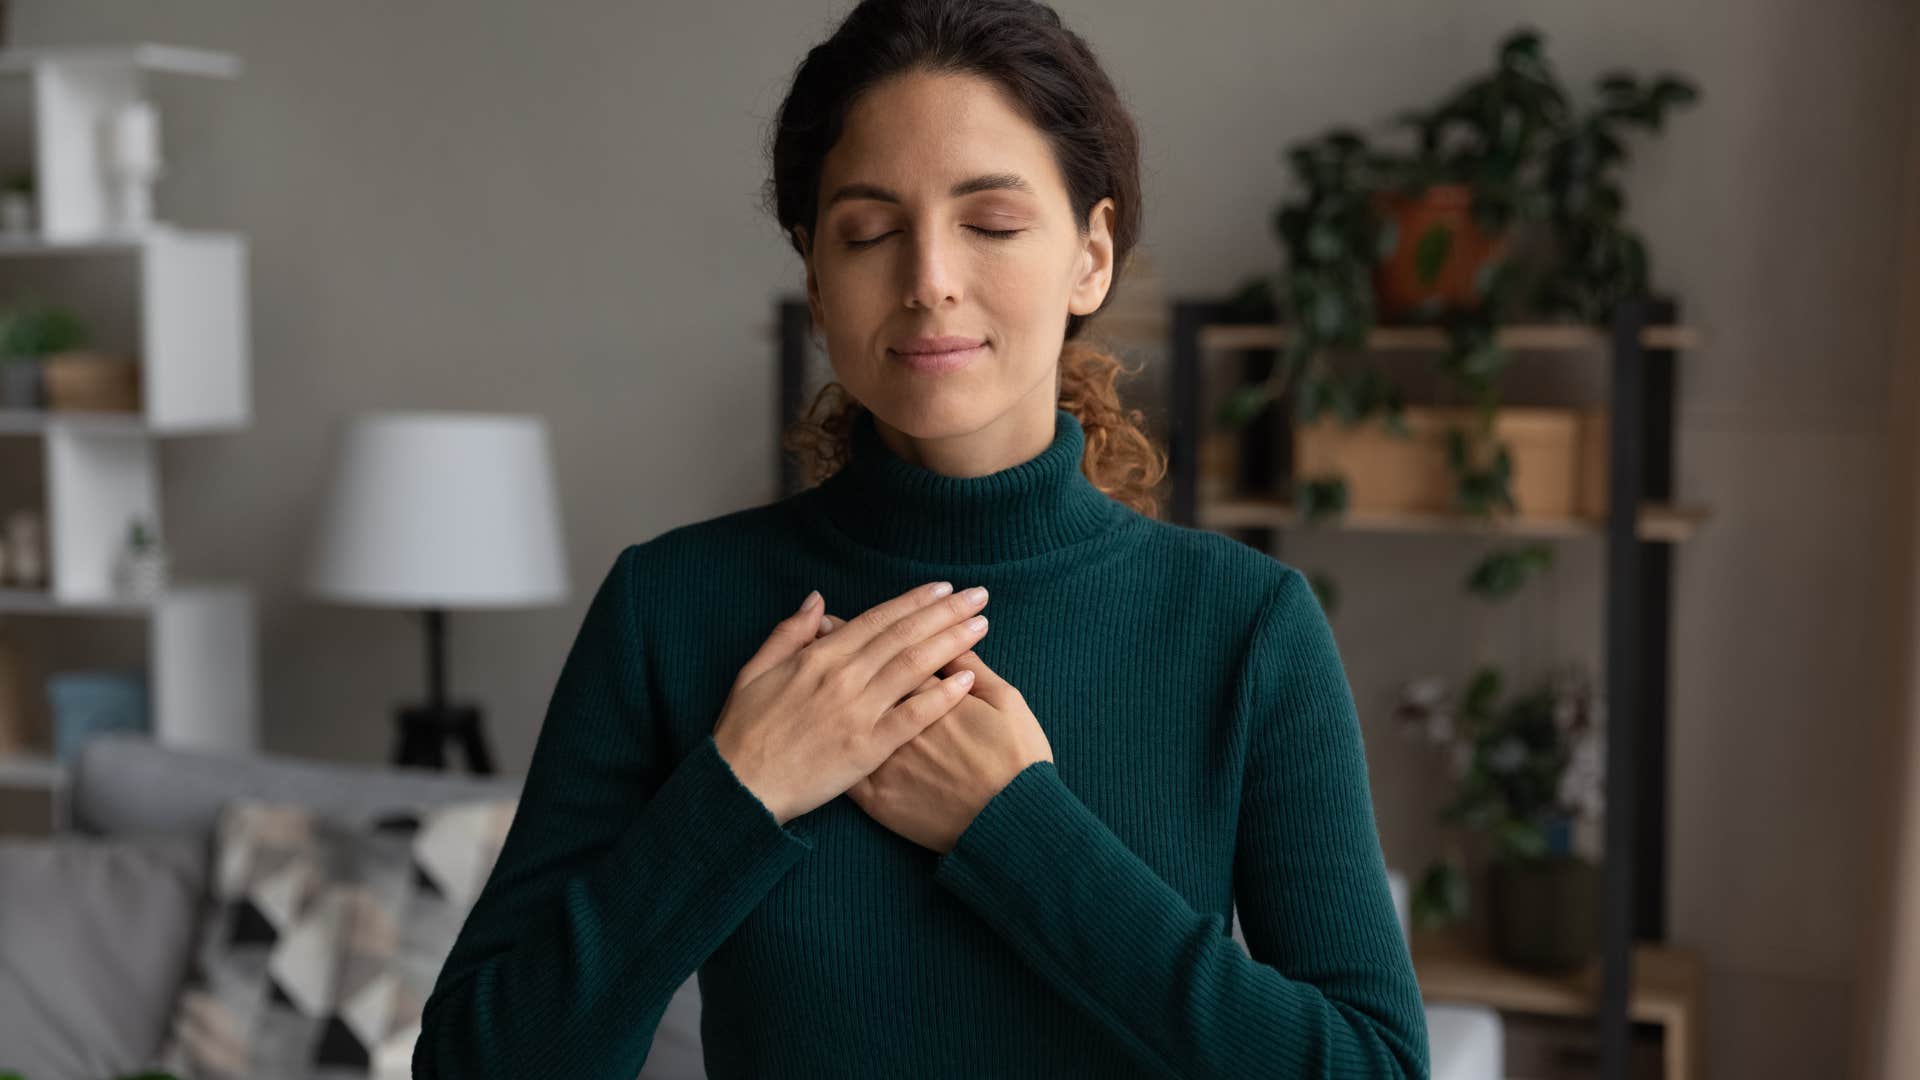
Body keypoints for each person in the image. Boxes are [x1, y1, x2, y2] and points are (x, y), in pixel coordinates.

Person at [414, 0, 1431, 1076]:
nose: (930, 278)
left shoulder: (1244, 629)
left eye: (990, 223)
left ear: (1091, 257)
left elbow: (1374, 1067)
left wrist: (1022, 836)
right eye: (868, 231)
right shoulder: (668, 609)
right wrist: (736, 796)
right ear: (815, 278)